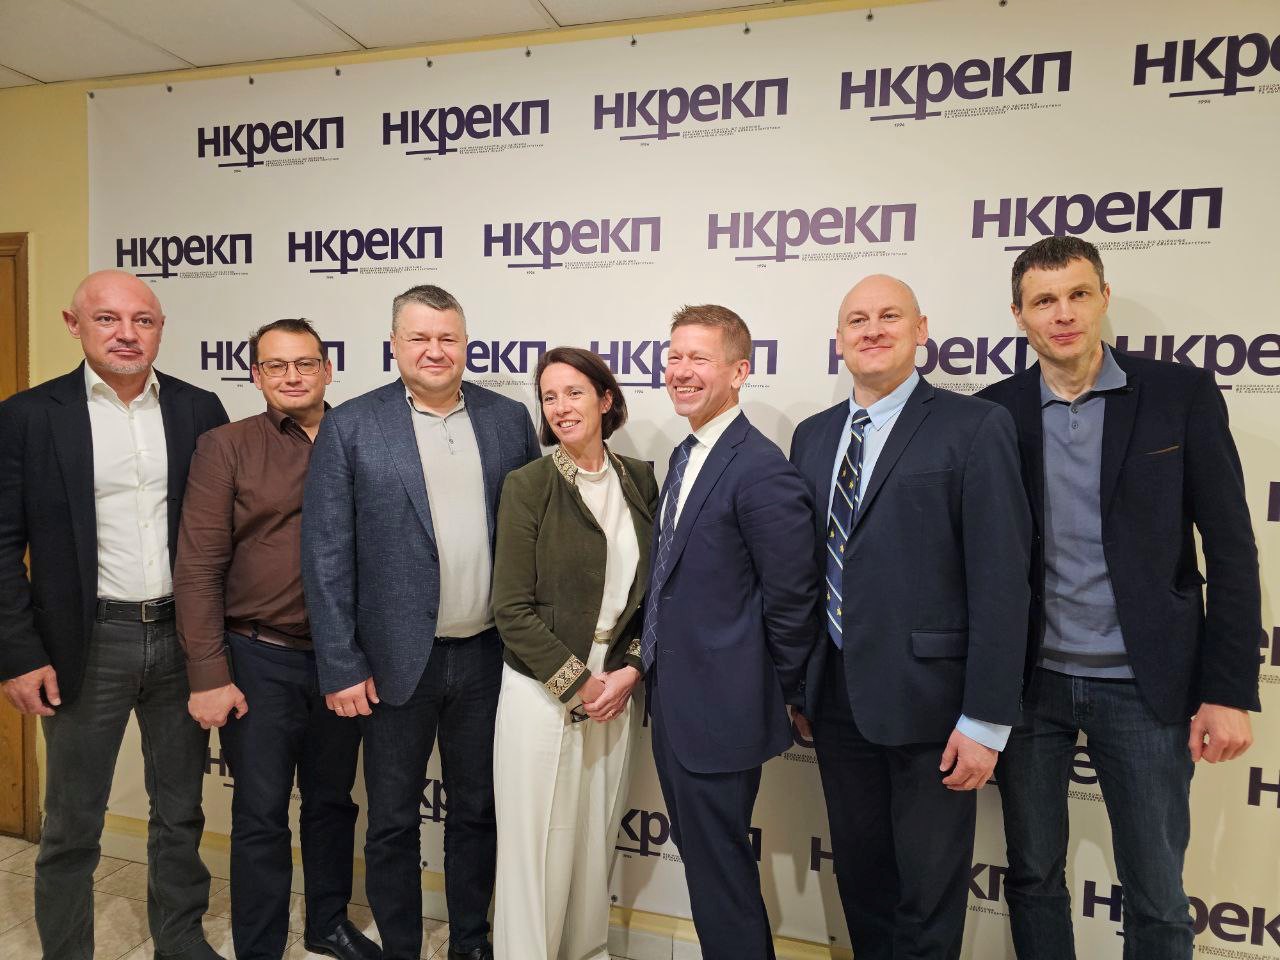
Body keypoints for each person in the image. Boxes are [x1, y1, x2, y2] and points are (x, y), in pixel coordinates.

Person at [977, 236, 1261, 959]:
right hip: (1029, 687)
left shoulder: (1179, 396)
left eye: (1078, 294)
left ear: (1104, 297)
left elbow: (1231, 549)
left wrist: (1227, 690)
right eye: (1044, 301)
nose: (1063, 313)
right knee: (1033, 876)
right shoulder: (994, 413)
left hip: (1146, 685)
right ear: (1018, 315)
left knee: (1157, 892)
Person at [789, 274, 1030, 960]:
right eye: (857, 319)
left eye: (889, 316)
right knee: (862, 882)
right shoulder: (812, 437)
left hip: (936, 708)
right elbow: (804, 572)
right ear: (839, 340)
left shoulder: (974, 425)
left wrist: (985, 720)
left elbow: (1002, 581)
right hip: (836, 700)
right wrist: (799, 686)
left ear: (921, 331)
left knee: (928, 895)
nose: (873, 330)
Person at [302, 284, 542, 960]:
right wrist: (340, 664)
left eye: (447, 338)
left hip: (488, 657)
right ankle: (401, 947)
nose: (435, 350)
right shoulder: (353, 425)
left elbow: (531, 535)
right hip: (392, 665)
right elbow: (325, 555)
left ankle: (470, 942)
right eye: (419, 338)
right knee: (392, 821)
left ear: (465, 344)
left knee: (477, 811)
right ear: (394, 345)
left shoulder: (507, 420)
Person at [0, 270, 228, 960]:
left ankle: (179, 940)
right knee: (72, 823)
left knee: (180, 812)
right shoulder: (28, 416)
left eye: (143, 321)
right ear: (74, 325)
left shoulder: (198, 409)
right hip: (84, 644)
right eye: (107, 319)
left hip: (182, 639)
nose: (127, 334)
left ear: (160, 330)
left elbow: (223, 533)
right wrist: (18, 653)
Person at [174, 319, 378, 960]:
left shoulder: (365, 437)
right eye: (276, 365)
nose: (292, 376)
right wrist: (208, 672)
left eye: (305, 363)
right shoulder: (226, 446)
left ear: (327, 369)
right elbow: (198, 567)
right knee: (260, 812)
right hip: (257, 657)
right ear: (256, 375)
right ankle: (259, 947)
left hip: (343, 661)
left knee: (332, 802)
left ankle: (328, 925)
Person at [641, 304, 817, 960]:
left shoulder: (758, 466)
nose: (681, 371)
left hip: (723, 712)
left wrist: (786, 691)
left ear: (740, 371)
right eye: (674, 357)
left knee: (721, 878)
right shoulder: (686, 454)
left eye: (699, 358)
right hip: (675, 704)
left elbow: (792, 599)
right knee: (710, 871)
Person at [490, 346, 658, 960]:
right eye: (549, 396)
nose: (560, 406)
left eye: (574, 392)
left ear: (606, 398)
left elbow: (651, 596)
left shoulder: (639, 479)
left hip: (616, 687)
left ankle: (587, 951)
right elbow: (511, 609)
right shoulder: (529, 485)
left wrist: (630, 669)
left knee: (595, 836)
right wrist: (579, 683)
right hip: (542, 688)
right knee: (536, 848)